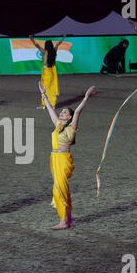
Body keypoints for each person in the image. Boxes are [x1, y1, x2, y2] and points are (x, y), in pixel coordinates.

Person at [39, 82, 95, 229]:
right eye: (61, 112)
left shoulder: (71, 127)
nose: (61, 113)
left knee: (59, 189)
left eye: (64, 113)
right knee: (62, 189)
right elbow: (50, 109)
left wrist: (85, 98)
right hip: (54, 158)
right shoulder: (58, 125)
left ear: (69, 117)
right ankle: (67, 219)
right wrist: (44, 94)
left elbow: (77, 112)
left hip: (63, 159)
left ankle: (63, 221)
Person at [30, 34, 66, 109]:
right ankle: (52, 105)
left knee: (44, 89)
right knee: (52, 88)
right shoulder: (54, 50)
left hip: (46, 73)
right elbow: (58, 44)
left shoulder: (44, 52)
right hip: (52, 72)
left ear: (46, 45)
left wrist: (31, 38)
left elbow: (36, 45)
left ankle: (44, 105)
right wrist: (63, 37)